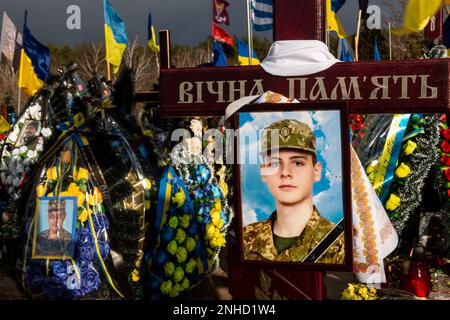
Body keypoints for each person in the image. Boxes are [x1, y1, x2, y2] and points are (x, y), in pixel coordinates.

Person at [243, 119, 344, 263]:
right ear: (264, 172)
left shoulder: (339, 244)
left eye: (297, 163)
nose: (285, 172)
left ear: (316, 171)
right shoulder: (245, 239)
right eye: (275, 163)